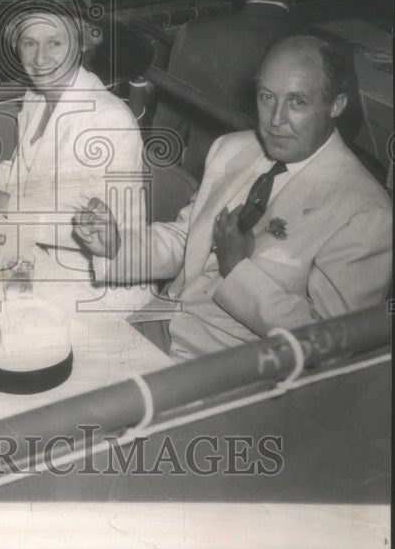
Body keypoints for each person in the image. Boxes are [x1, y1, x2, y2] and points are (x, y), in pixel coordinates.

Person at [74, 36, 392, 360]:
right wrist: (117, 246)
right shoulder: (232, 149)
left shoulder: (366, 212)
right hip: (156, 324)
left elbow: (332, 344)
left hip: (229, 371)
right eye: (267, 97)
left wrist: (238, 270)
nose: (275, 120)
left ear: (335, 105)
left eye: (297, 102)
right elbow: (186, 241)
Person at [0, 0, 145, 248]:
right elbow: (26, 175)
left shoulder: (109, 120)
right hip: (35, 248)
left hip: (88, 270)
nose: (40, 59)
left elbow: (104, 233)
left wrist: (3, 203)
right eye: (30, 43)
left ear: (82, 44)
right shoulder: (36, 98)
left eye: (55, 43)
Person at [154, 0, 359, 178]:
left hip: (207, 176)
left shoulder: (196, 34)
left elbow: (166, 128)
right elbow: (347, 129)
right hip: (295, 181)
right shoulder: (330, 45)